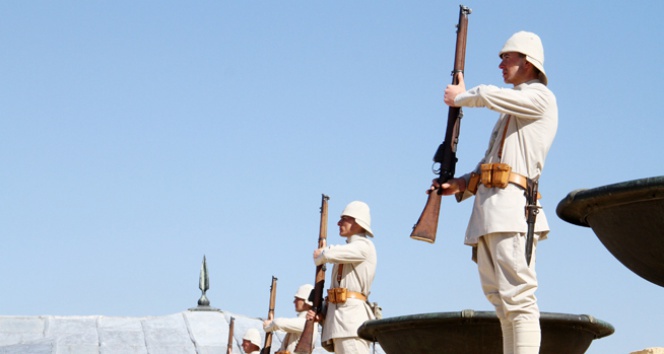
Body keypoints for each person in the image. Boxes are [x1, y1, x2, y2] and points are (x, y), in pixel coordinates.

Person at [436, 31, 557, 354]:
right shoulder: (511, 107)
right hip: (490, 210)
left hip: (512, 208)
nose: (501, 63)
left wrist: (462, 96)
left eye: (508, 57)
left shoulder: (540, 97)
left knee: (518, 297)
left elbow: (491, 95)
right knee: (500, 300)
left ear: (528, 62)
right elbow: (492, 161)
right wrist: (462, 184)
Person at [307, 201, 377, 354]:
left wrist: (323, 253)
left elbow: (327, 254)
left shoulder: (364, 246)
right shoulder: (345, 253)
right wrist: (322, 313)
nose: (339, 222)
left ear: (358, 221)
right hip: (340, 324)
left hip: (351, 324)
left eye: (345, 218)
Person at [263, 284, 317, 353]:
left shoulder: (308, 323)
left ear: (306, 301)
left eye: (297, 299)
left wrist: (269, 325)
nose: (294, 301)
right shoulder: (304, 322)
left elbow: (278, 323)